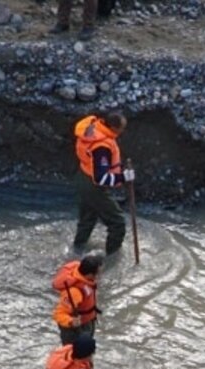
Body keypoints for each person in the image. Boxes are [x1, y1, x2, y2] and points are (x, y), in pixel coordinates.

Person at [70, 113, 136, 255]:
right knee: (117, 222)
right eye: (122, 128)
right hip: (92, 186)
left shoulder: (93, 128)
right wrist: (123, 177)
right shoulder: (101, 148)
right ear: (113, 127)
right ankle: (112, 256)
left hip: (83, 176)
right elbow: (101, 178)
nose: (123, 131)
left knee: (87, 219)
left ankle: (77, 250)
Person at [52, 253, 104, 345]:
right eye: (98, 273)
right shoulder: (74, 292)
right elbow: (58, 314)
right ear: (90, 275)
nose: (100, 275)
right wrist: (71, 321)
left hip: (87, 322)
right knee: (74, 352)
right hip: (74, 330)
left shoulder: (85, 277)